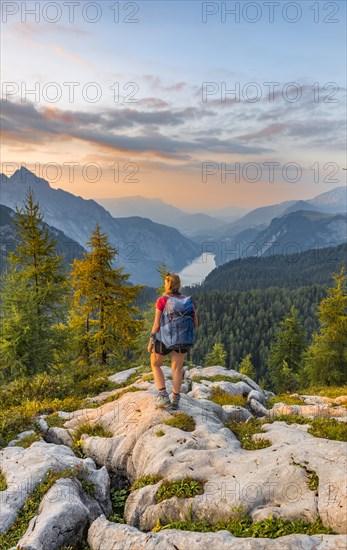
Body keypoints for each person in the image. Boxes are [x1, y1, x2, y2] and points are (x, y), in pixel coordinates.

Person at [147, 272, 198, 410]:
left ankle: (163, 396)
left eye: (165, 281)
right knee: (177, 368)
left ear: (168, 283)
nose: (164, 283)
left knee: (155, 363)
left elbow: (156, 325)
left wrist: (151, 341)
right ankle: (175, 400)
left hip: (164, 339)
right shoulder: (187, 301)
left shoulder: (162, 300)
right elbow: (195, 323)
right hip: (182, 339)